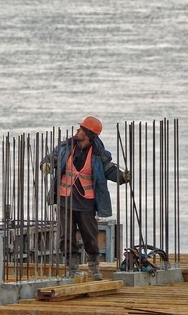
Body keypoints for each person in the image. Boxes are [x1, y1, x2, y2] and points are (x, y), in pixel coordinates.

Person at [44, 116, 130, 280]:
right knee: (66, 236)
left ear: (88, 135)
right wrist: (46, 164)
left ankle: (94, 269)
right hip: (65, 199)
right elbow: (50, 158)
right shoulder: (65, 147)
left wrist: (122, 177)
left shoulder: (98, 154)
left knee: (90, 235)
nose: (78, 131)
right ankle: (72, 269)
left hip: (86, 202)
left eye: (81, 129)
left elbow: (109, 170)